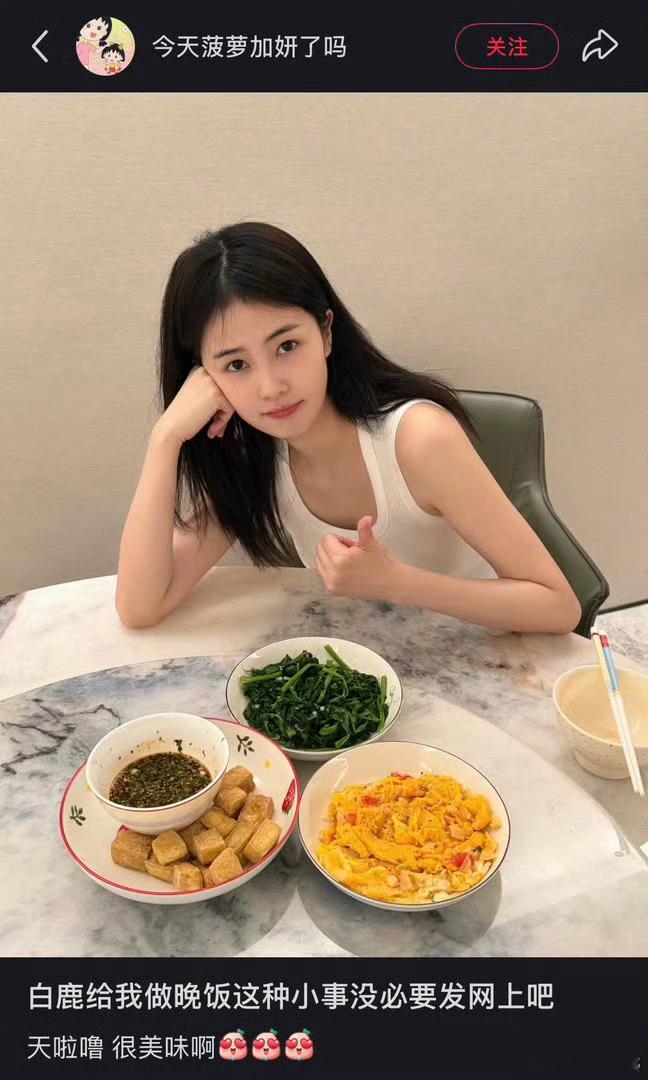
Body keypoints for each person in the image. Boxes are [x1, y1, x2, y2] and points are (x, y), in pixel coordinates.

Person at [115, 221, 581, 634]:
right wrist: (165, 439)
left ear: (326, 332)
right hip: (372, 664)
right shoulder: (255, 459)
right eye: (236, 365)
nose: (271, 387)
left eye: (286, 346)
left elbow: (558, 606)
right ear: (205, 378)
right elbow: (140, 607)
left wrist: (397, 583)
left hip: (484, 657)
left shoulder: (419, 439)